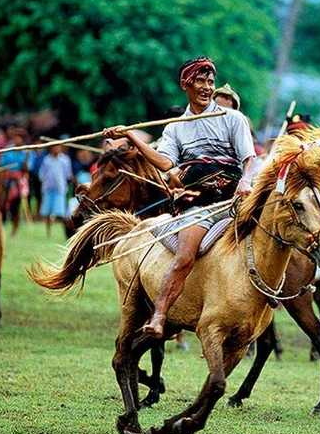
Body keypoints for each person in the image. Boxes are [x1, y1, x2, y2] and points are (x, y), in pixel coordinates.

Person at [103, 56, 255, 338]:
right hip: (200, 204)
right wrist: (132, 137)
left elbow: (249, 159)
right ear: (186, 84)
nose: (207, 87)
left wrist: (246, 181)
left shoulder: (232, 118)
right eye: (200, 81)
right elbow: (164, 163)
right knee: (185, 256)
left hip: (236, 198)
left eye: (210, 82)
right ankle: (160, 316)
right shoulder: (175, 127)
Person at [0, 127, 33, 236]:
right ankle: (1, 228)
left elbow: (27, 170)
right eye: (15, 138)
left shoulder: (27, 152)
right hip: (7, 179)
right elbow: (1, 167)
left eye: (19, 138)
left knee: (16, 206)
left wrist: (26, 158)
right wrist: (1, 182)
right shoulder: (7, 150)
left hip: (19, 181)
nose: (17, 140)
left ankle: (14, 230)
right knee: (2, 204)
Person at [38, 142, 74, 237]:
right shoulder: (47, 160)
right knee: (47, 212)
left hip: (60, 189)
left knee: (61, 213)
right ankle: (48, 232)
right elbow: (42, 174)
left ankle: (65, 232)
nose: (56, 149)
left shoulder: (65, 160)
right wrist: (43, 183)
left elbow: (68, 174)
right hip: (48, 188)